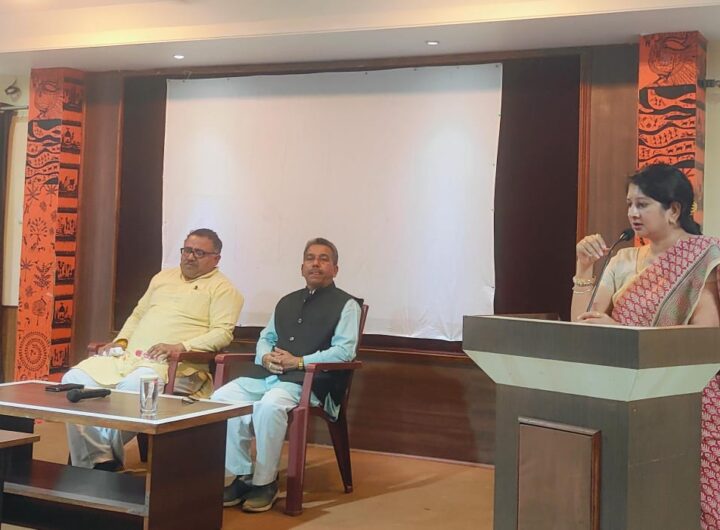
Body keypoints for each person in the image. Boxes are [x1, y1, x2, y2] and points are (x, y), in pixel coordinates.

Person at [570, 163, 720, 528]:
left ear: (674, 210)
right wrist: (584, 268)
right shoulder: (623, 260)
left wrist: (623, 329)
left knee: (683, 496)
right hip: (626, 393)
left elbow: (705, 337)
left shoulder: (702, 258)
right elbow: (582, 325)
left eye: (642, 204)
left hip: (687, 398)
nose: (632, 213)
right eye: (629, 205)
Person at [62, 228, 244, 470]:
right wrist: (121, 341)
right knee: (73, 380)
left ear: (216, 258)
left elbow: (222, 333)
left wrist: (180, 346)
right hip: (128, 359)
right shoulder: (162, 278)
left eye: (199, 253)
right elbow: (138, 314)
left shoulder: (224, 289)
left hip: (176, 367)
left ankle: (95, 461)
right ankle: (101, 458)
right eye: (187, 250)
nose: (190, 257)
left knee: (137, 385)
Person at [213, 237, 361, 513]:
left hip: (310, 382)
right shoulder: (286, 302)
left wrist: (300, 362)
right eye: (310, 258)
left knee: (270, 406)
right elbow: (266, 338)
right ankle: (242, 475)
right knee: (222, 399)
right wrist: (264, 356)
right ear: (301, 267)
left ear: (335, 269)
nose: (315, 264)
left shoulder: (346, 305)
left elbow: (344, 352)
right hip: (269, 377)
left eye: (324, 259)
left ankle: (265, 481)